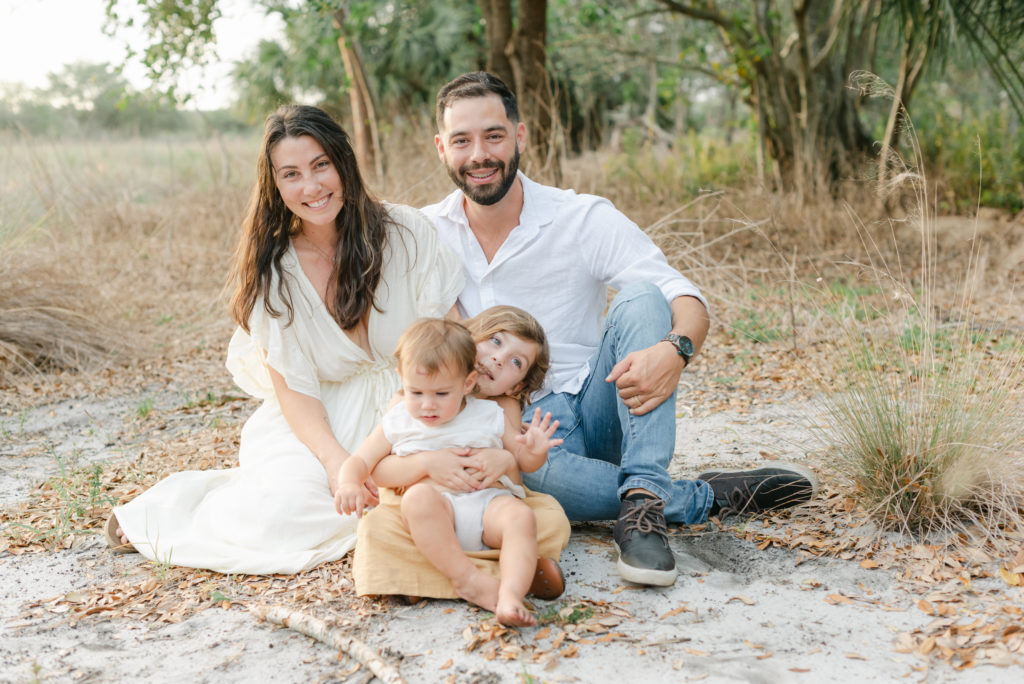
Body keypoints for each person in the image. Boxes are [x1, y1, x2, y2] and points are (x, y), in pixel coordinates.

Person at [415, 71, 819, 587]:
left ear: (519, 136)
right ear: (441, 149)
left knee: (643, 298)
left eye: (494, 135)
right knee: (525, 468)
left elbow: (685, 298)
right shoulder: (424, 234)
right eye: (462, 141)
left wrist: (674, 351)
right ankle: (692, 496)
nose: (479, 154)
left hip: (598, 402)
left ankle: (644, 505)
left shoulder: (581, 217)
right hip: (526, 433)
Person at [102, 104, 468, 574]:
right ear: (274, 185)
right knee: (289, 512)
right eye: (291, 174)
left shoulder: (408, 232)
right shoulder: (275, 271)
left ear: (344, 163)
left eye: (321, 166)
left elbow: (454, 334)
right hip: (322, 418)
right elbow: (294, 391)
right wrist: (338, 463)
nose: (312, 187)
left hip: (412, 405)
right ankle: (176, 510)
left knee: (437, 497)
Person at [336, 316, 561, 625]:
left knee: (526, 517)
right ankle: (472, 579)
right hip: (433, 514)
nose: (428, 405)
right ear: (402, 379)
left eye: (441, 395)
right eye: (417, 393)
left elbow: (522, 459)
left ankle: (508, 595)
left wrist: (534, 451)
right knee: (396, 516)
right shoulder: (400, 418)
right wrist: (348, 482)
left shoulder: (490, 413)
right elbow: (363, 462)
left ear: (466, 383)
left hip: (486, 509)